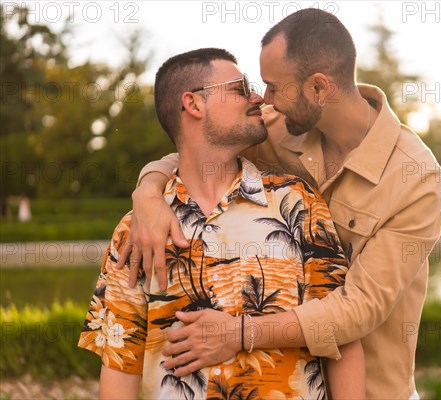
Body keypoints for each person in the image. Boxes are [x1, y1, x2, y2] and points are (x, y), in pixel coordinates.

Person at [123, 9, 441, 399]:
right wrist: (148, 192)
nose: (264, 99)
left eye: (275, 87)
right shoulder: (276, 128)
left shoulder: (415, 176)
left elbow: (360, 306)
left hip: (375, 389)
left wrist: (240, 333)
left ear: (319, 88)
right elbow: (198, 151)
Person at [78, 48, 364, 399]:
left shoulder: (298, 204)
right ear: (194, 104)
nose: (258, 96)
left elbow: (341, 336)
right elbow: (121, 363)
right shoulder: (136, 230)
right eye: (241, 87)